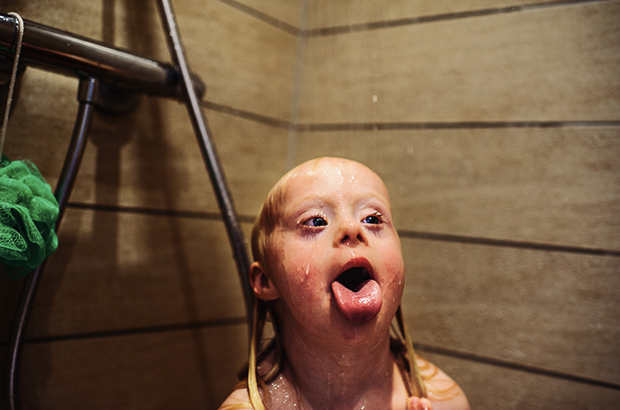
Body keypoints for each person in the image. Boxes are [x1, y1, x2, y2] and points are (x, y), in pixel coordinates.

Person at [219, 157, 470, 410]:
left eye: (372, 219)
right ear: (266, 280)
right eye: (316, 221)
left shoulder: (443, 400)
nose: (351, 227)